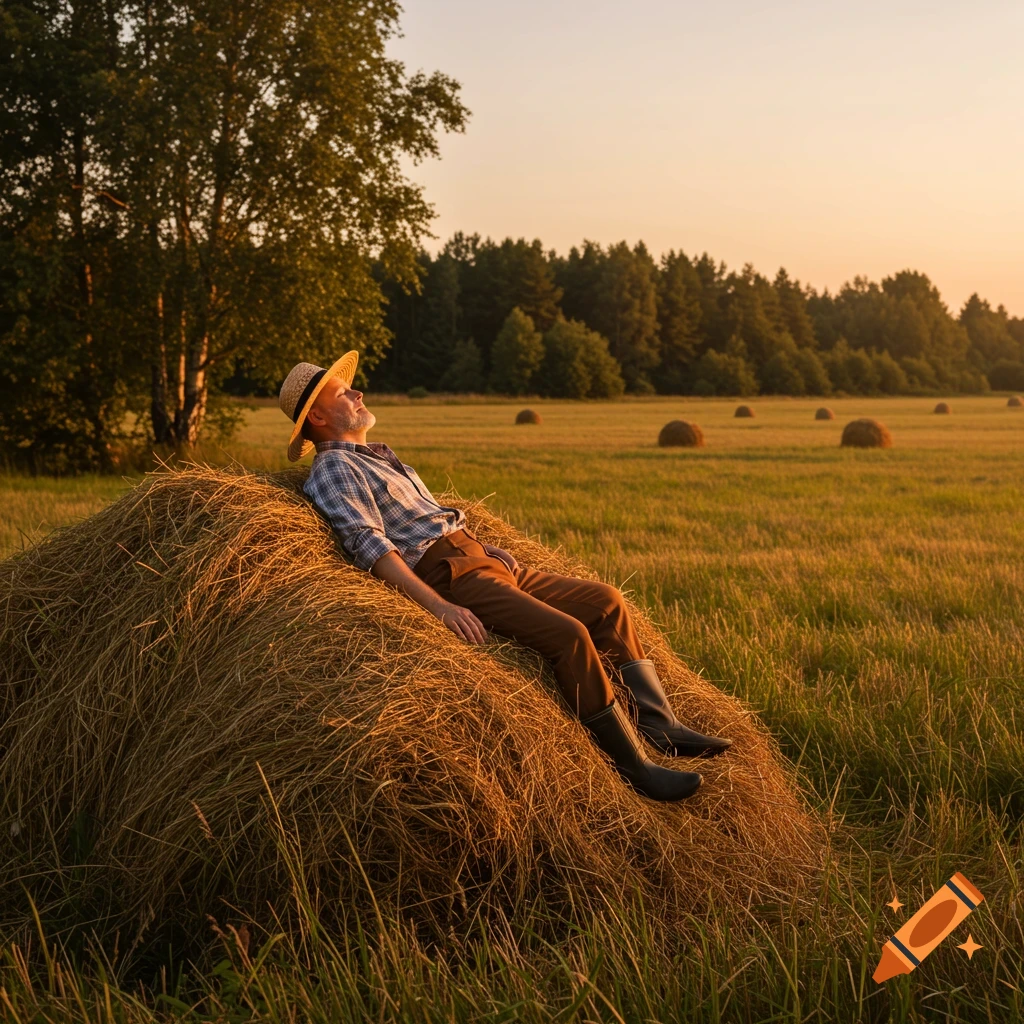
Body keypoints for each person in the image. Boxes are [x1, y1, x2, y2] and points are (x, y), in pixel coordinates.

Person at [279, 353, 732, 802]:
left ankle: (659, 723)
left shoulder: (376, 457)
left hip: (477, 560)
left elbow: (428, 518)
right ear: (317, 416)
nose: (358, 393)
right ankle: (635, 768)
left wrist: (480, 543)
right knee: (570, 635)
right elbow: (371, 546)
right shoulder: (335, 467)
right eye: (344, 392)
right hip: (451, 576)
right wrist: (439, 606)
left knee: (606, 602)